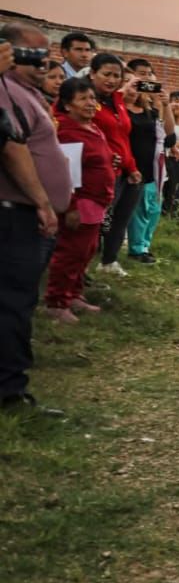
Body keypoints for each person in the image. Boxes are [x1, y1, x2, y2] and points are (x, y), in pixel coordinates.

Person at [0, 24, 72, 417]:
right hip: (17, 215)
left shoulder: (28, 94)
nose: (44, 63)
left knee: (17, 303)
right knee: (12, 304)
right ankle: (11, 392)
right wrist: (43, 202)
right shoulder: (4, 90)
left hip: (27, 215)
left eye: (47, 55)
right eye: (33, 55)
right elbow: (12, 149)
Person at [44, 78, 115, 323]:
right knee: (70, 253)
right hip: (80, 202)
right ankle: (56, 302)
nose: (90, 103)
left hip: (97, 201)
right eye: (83, 98)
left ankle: (74, 295)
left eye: (92, 98)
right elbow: (65, 173)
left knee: (86, 252)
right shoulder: (66, 130)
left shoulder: (92, 127)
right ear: (67, 104)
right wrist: (71, 207)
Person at [120, 60, 176, 266]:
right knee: (126, 210)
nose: (144, 79)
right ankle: (129, 248)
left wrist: (165, 105)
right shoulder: (116, 107)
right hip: (124, 165)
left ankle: (142, 246)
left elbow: (169, 136)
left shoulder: (148, 110)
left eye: (148, 75)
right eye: (140, 75)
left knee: (150, 208)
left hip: (149, 167)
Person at [88, 54, 138, 278]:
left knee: (120, 219)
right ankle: (79, 273)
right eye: (106, 74)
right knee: (96, 222)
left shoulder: (116, 101)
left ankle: (109, 261)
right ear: (92, 74)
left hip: (124, 171)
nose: (111, 80)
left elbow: (123, 138)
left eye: (117, 76)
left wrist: (132, 167)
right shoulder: (87, 100)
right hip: (99, 170)